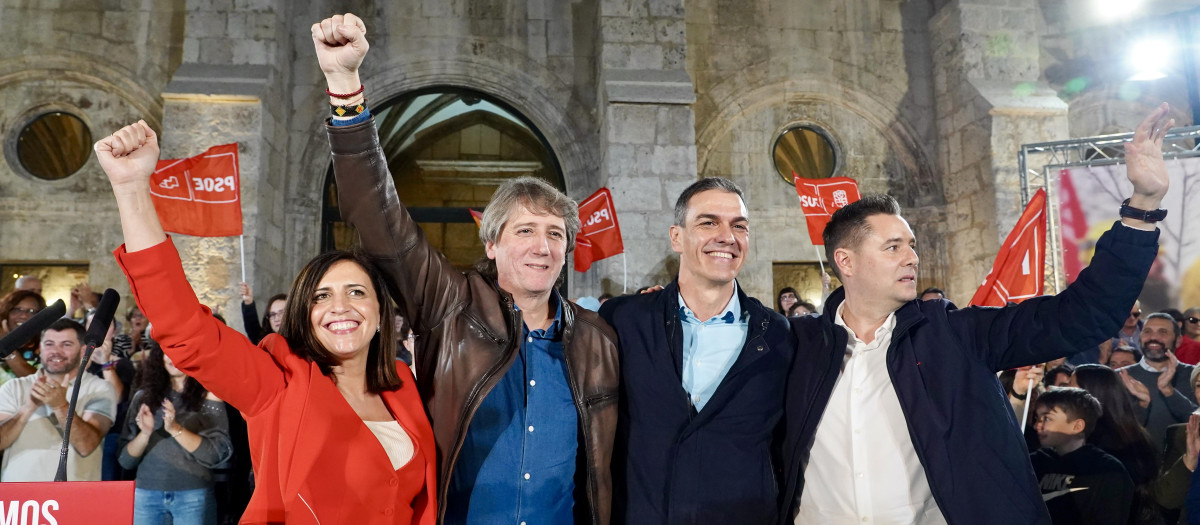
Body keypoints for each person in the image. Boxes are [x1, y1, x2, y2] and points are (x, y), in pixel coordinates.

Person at [778, 105, 1174, 524]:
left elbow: (1083, 314)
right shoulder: (797, 346)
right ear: (846, 261)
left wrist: (1143, 205)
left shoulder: (956, 335)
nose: (912, 257)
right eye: (893, 247)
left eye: (912, 244)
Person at [316, 13, 618, 525]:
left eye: (555, 234)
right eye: (524, 231)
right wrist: (345, 87)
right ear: (492, 243)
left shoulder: (597, 340)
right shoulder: (450, 306)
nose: (541, 246)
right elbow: (378, 217)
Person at [95, 119, 437, 524]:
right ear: (304, 319)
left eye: (357, 292)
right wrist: (132, 188)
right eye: (321, 296)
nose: (341, 306)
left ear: (381, 314)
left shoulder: (404, 388)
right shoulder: (279, 383)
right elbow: (186, 329)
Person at [600, 178, 793, 524]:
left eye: (740, 226)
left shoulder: (778, 334)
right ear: (676, 237)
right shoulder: (624, 320)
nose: (727, 237)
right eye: (708, 222)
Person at [119, 345, 233, 525]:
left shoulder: (210, 396)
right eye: (168, 351)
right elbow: (125, 461)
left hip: (193, 495)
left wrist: (174, 428)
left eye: (180, 351)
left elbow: (215, 455)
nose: (173, 358)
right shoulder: (143, 397)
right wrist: (145, 434)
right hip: (146, 495)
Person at [0, 319, 117, 481]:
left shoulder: (100, 389)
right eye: (49, 344)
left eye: (66, 344)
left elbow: (86, 446)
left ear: (83, 351)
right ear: (40, 349)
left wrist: (61, 405)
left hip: (72, 496)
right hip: (19, 498)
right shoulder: (14, 387)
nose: (56, 351)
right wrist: (28, 408)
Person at [1071, 364, 1163, 524]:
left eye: (1068, 388)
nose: (1060, 392)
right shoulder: (1130, 433)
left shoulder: (1099, 443)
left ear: (1090, 394)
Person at [1030, 387, 1134, 525]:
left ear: (1077, 426)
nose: (1037, 425)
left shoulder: (1106, 469)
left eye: (1047, 418)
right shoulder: (1034, 462)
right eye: (1037, 418)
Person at [1118, 312, 1197, 447]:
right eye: (1147, 331)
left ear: (1178, 341)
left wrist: (1169, 392)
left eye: (1163, 332)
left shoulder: (1195, 376)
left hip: (1184, 462)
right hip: (1135, 462)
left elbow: (1197, 423)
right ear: (1140, 337)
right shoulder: (1118, 377)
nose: (1153, 337)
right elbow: (1116, 431)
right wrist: (1142, 405)